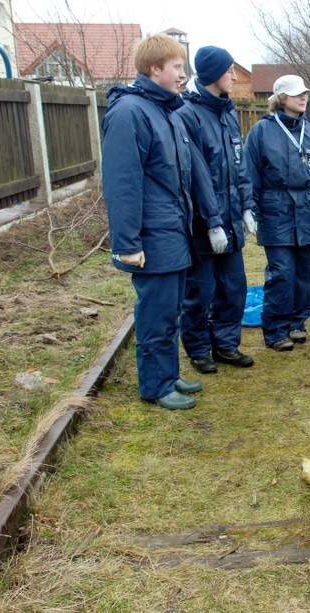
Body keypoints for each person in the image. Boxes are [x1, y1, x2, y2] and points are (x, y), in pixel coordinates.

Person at [102, 34, 216, 410]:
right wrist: (127, 243)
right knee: (155, 314)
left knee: (170, 311)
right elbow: (123, 183)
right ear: (155, 69)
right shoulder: (130, 112)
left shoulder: (164, 111)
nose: (184, 75)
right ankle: (156, 385)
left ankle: (168, 374)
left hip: (172, 231)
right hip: (152, 237)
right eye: (177, 68)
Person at [244, 75, 310, 351]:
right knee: (282, 273)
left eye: (304, 93)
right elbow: (249, 175)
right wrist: (249, 210)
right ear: (280, 99)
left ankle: (297, 322)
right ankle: (276, 330)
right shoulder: (261, 132)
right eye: (295, 94)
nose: (302, 98)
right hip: (275, 210)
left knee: (307, 272)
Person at [176, 46, 258, 375]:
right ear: (212, 75)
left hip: (231, 219)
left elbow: (240, 168)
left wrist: (247, 207)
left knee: (234, 287)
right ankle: (197, 349)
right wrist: (211, 222)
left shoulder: (227, 112)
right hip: (203, 224)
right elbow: (195, 177)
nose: (235, 77)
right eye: (229, 72)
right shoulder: (187, 115)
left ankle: (225, 344)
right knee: (201, 291)